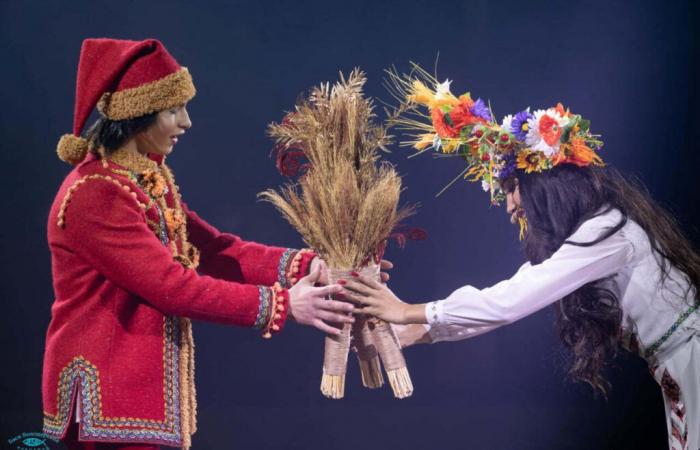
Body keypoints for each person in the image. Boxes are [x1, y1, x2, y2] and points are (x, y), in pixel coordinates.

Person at [43, 38, 365, 450]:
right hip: (107, 397)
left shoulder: (143, 180)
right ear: (135, 113)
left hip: (131, 395)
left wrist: (306, 266)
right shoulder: (96, 193)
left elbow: (215, 251)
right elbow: (171, 286)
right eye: (174, 110)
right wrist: (283, 303)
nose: (187, 122)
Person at [341, 80, 699, 450]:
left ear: (545, 182)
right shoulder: (590, 236)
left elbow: (509, 302)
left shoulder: (607, 232)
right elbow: (505, 295)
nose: (510, 206)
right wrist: (421, 330)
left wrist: (406, 311)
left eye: (512, 187)